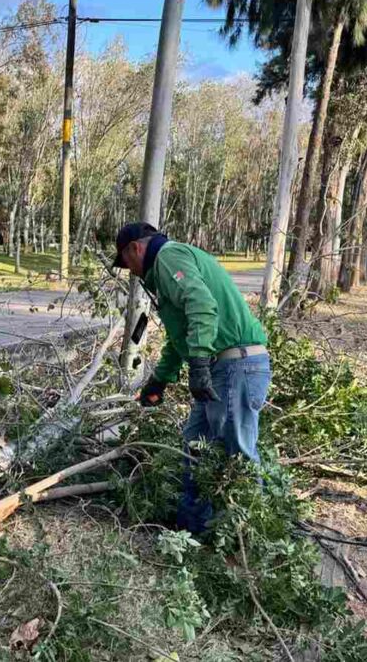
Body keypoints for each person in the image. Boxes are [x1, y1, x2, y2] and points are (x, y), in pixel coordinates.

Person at [113, 222, 271, 532]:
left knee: (235, 453)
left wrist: (198, 363)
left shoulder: (168, 258)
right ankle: (194, 529)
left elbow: (202, 306)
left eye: (126, 261)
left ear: (136, 248)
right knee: (195, 444)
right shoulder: (166, 269)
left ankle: (252, 535)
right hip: (220, 367)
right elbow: (180, 335)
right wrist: (160, 379)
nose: (129, 270)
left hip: (235, 366)